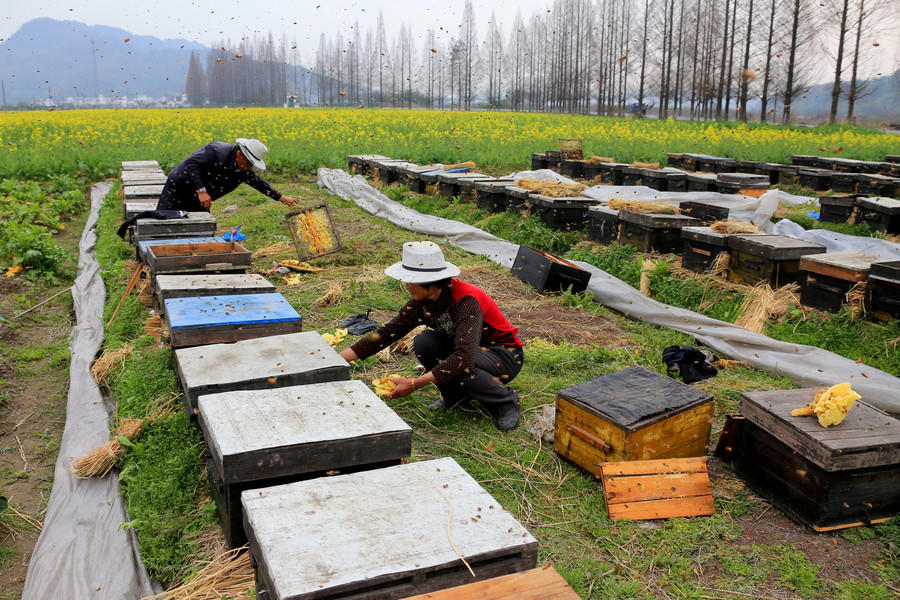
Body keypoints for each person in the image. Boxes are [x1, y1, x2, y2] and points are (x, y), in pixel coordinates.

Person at [339, 241, 525, 432]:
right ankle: (454, 396)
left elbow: (463, 358)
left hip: (503, 354)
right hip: (469, 351)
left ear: (432, 283)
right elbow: (387, 334)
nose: (406, 286)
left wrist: (413, 384)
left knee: (461, 365)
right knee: (424, 341)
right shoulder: (422, 302)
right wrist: (338, 360)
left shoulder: (466, 301)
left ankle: (506, 402)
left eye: (411, 281)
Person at [155, 138, 299, 211]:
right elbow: (191, 164)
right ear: (241, 155)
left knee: (197, 226)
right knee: (165, 220)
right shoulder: (217, 150)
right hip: (181, 186)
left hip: (200, 197)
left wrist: (282, 198)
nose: (250, 168)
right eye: (249, 163)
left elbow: (259, 183)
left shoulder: (244, 170)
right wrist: (201, 190)